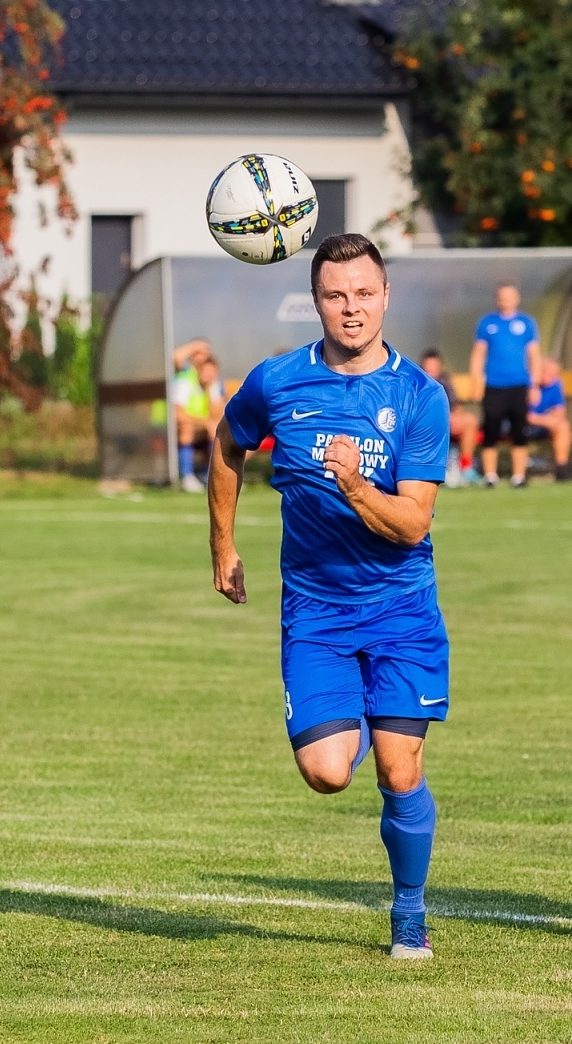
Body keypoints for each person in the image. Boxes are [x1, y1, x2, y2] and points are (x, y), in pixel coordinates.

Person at [207, 233, 452, 961]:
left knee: (398, 770)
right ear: (315, 301)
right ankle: (362, 712)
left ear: (385, 296)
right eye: (336, 295)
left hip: (403, 612)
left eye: (365, 294)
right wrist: (222, 544)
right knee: (326, 772)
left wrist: (351, 483)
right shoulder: (277, 381)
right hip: (315, 613)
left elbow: (411, 524)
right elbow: (228, 442)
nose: (352, 309)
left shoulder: (419, 396)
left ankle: (409, 913)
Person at [469, 283, 541, 488]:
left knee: (519, 431)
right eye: (502, 296)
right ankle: (490, 476)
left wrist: (534, 385)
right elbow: (478, 354)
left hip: (519, 384)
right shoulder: (487, 323)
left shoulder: (526, 323)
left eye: (509, 296)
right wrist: (476, 381)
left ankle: (518, 476)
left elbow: (534, 355)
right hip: (493, 384)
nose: (505, 300)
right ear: (497, 299)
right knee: (491, 430)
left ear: (516, 298)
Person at [421, 349, 481, 486]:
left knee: (470, 421)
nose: (431, 370)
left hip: (447, 421)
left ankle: (466, 468)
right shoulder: (418, 382)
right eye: (429, 367)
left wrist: (455, 417)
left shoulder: (444, 381)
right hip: (424, 423)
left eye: (434, 367)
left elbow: (456, 405)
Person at [171, 338, 214, 492]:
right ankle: (187, 477)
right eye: (200, 352)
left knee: (222, 430)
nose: (204, 356)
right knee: (187, 428)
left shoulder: (209, 380)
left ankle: (209, 476)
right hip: (169, 427)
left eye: (207, 352)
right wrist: (194, 345)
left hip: (199, 425)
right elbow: (178, 414)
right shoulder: (184, 376)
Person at [526, 357, 572, 481]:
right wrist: (546, 420)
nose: (552, 377)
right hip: (519, 426)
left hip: (542, 426)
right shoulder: (525, 383)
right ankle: (520, 472)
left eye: (555, 374)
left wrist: (549, 420)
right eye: (548, 373)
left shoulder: (556, 384)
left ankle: (561, 469)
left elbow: (559, 413)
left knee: (563, 425)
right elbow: (519, 415)